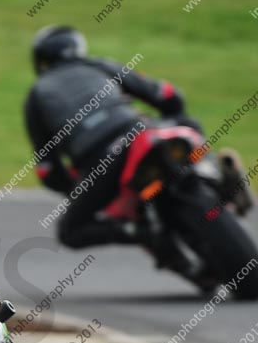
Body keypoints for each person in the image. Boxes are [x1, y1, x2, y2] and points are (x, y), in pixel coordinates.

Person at [25, 25, 251, 253]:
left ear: (41, 61)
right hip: (140, 133)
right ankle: (217, 173)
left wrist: (74, 189)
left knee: (69, 232)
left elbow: (47, 169)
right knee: (187, 122)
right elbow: (169, 96)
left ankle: (144, 233)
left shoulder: (36, 95)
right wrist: (168, 115)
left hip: (101, 163)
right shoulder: (99, 65)